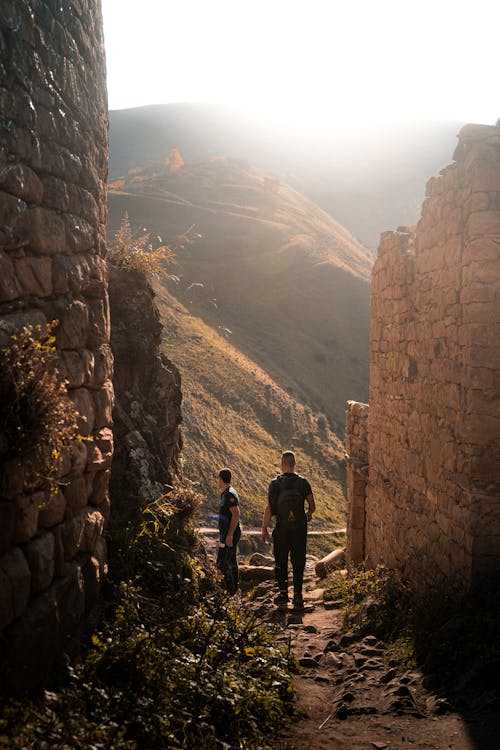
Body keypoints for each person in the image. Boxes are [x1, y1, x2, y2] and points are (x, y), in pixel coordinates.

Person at [261, 451, 315, 610]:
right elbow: (312, 505)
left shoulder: (275, 484)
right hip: (299, 529)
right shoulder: (303, 483)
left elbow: (270, 508)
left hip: (282, 529)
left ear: (282, 464)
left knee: (281, 560)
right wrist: (308, 514)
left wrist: (264, 528)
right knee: (299, 561)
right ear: (294, 464)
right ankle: (298, 595)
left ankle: (283, 592)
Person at [216, 467, 241, 595]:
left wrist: (230, 535)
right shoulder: (226, 493)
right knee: (231, 561)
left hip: (230, 534)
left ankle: (229, 592)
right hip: (225, 534)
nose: (217, 481)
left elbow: (236, 514)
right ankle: (234, 590)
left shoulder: (229, 494)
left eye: (218, 478)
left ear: (221, 479)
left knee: (222, 562)